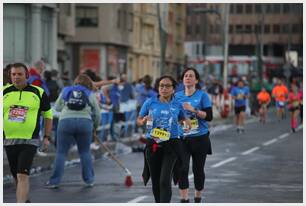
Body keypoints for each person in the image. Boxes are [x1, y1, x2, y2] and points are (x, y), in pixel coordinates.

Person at [3, 63, 53, 203]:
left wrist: (46, 137)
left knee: (22, 175)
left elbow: (48, 115)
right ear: (10, 76)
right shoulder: (4, 92)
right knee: (16, 176)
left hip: (29, 140)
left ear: (27, 75)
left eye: (20, 74)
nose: (16, 77)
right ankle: (25, 201)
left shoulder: (38, 92)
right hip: (9, 140)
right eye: (13, 74)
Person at [137, 75, 191, 203]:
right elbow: (139, 120)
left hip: (171, 144)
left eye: (167, 86)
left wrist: (187, 123)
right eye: (161, 86)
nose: (164, 88)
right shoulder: (150, 102)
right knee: (156, 181)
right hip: (153, 144)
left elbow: (182, 118)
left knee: (164, 181)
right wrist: (143, 120)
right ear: (158, 88)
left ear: (173, 89)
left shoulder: (177, 104)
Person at [45, 74, 101, 188]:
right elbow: (97, 112)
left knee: (61, 152)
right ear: (88, 83)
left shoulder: (66, 90)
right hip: (85, 123)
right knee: (85, 152)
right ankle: (89, 179)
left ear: (75, 82)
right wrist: (95, 127)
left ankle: (54, 181)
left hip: (66, 121)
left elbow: (57, 108)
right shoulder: (89, 93)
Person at [175, 67, 213, 203]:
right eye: (186, 76)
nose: (188, 78)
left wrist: (194, 110)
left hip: (200, 138)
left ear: (196, 80)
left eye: (191, 76)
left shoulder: (202, 96)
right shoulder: (177, 96)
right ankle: (184, 200)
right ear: (182, 79)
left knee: (198, 170)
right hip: (182, 138)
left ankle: (198, 198)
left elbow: (209, 116)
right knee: (182, 169)